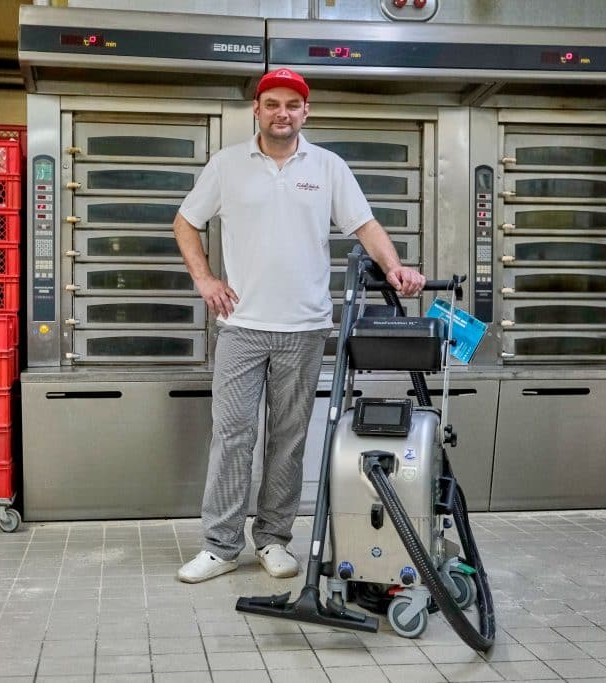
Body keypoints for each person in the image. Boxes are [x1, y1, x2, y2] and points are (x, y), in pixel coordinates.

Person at [173, 67, 426, 583]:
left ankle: (272, 539)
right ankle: (221, 546)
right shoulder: (227, 166)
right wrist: (204, 280)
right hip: (241, 326)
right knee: (232, 436)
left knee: (288, 439)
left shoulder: (327, 167)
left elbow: (364, 224)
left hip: (305, 329)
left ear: (305, 112)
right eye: (272, 104)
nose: (282, 113)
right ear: (258, 111)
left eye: (292, 104)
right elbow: (186, 221)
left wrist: (395, 266)